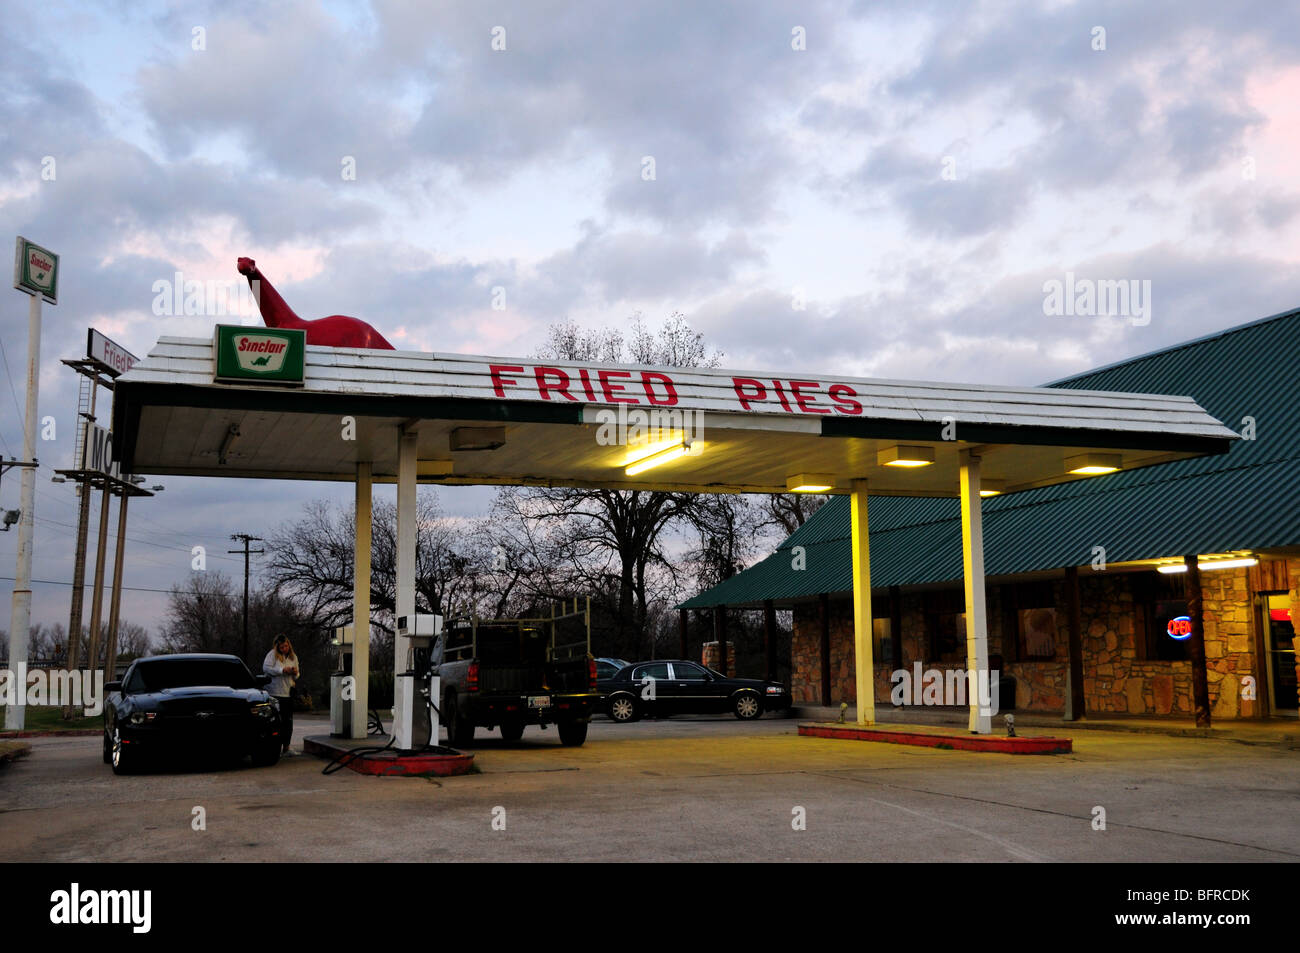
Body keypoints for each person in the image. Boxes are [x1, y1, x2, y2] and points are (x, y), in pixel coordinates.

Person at [263, 636, 299, 755]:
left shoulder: (293, 657)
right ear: (277, 646)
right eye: (282, 646)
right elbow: (266, 668)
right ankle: (274, 747)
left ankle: (287, 747)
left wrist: (295, 673)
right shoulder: (272, 655)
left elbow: (297, 674)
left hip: (288, 693)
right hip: (274, 693)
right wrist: (282, 670)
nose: (285, 648)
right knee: (276, 722)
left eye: (286, 645)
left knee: (288, 722)